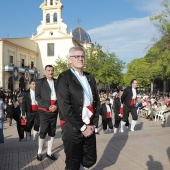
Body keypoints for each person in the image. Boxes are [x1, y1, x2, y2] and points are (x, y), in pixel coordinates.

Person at [56, 46, 100, 170]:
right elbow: (65, 107)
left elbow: (96, 102)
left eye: (82, 56)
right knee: (73, 162)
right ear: (70, 60)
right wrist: (82, 127)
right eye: (77, 56)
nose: (80, 59)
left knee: (89, 158)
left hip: (89, 124)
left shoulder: (90, 77)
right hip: (72, 125)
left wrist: (93, 123)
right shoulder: (64, 77)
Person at [35, 65, 58, 161]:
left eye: (52, 70)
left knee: (52, 131)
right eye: (48, 70)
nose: (50, 72)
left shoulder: (57, 82)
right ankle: (39, 152)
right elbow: (37, 97)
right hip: (44, 110)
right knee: (43, 130)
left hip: (54, 110)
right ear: (45, 71)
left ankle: (49, 152)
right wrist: (47, 106)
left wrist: (56, 106)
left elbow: (61, 96)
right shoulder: (40, 82)